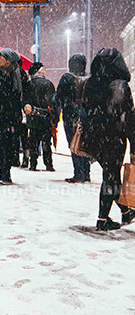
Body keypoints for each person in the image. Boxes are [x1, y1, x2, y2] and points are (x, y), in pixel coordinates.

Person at [82, 48, 135, 231]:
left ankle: (126, 212)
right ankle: (102, 220)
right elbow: (127, 118)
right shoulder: (119, 85)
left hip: (95, 137)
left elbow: (86, 109)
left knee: (111, 176)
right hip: (114, 137)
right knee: (110, 177)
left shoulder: (91, 82)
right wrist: (134, 144)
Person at [0, 49, 33, 185]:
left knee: (10, 145)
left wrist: (27, 104)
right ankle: (3, 172)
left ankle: (6, 172)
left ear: (8, 59)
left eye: (0, 57)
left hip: (13, 115)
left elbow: (27, 92)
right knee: (0, 144)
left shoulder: (20, 74)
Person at [55, 53, 91, 183]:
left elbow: (58, 97)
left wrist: (57, 112)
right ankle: (86, 173)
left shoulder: (66, 78)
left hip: (71, 115)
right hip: (87, 115)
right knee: (84, 143)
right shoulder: (89, 78)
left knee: (74, 143)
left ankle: (78, 173)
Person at [26, 62, 57, 171]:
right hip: (46, 117)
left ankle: (33, 164)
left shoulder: (29, 84)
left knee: (33, 141)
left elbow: (26, 101)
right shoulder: (48, 84)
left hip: (33, 117)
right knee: (46, 142)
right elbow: (53, 103)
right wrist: (55, 119)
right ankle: (48, 164)